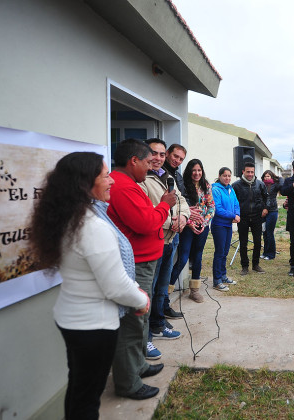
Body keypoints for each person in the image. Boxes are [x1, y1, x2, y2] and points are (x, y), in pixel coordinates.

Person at [29, 152, 151, 417]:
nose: (112, 182)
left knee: (79, 388)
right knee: (87, 399)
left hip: (71, 318)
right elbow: (116, 286)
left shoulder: (67, 218)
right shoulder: (93, 227)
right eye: (106, 176)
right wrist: (142, 300)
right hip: (93, 326)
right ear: (85, 183)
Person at [107, 138, 176, 400]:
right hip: (138, 263)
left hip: (147, 259)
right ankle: (128, 383)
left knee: (142, 318)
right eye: (148, 161)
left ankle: (138, 366)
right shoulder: (123, 187)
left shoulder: (131, 184)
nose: (150, 167)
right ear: (133, 160)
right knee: (133, 322)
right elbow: (146, 223)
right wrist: (165, 205)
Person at [139, 139, 190, 357]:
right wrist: (173, 222)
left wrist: (184, 218)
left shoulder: (168, 177)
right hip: (154, 240)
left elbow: (181, 202)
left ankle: (158, 324)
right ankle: (146, 337)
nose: (158, 158)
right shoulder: (141, 180)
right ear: (144, 155)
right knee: (148, 291)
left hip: (171, 239)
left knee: (162, 287)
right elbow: (149, 210)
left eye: (161, 154)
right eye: (154, 154)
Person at [169, 158, 215, 302]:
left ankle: (194, 290)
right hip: (187, 226)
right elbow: (179, 207)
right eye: (194, 170)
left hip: (202, 227)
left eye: (199, 170)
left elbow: (211, 206)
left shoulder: (206, 185)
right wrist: (189, 222)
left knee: (198, 257)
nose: (196, 173)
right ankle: (167, 290)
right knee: (183, 258)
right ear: (189, 171)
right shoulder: (183, 186)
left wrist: (204, 222)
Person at [161, 144, 188, 303]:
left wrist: (183, 216)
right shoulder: (156, 174)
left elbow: (181, 201)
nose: (177, 161)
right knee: (159, 275)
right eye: (175, 156)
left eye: (181, 159)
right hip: (161, 230)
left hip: (176, 230)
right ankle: (160, 310)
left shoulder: (177, 176)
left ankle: (164, 304)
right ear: (168, 153)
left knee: (167, 269)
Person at [232, 162, 268, 275]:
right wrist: (235, 214)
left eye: (252, 172)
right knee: (243, 243)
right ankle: (245, 266)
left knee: (258, 242)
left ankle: (256, 265)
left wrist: (266, 208)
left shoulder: (260, 184)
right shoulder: (236, 185)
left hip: (257, 217)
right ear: (243, 171)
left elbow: (267, 198)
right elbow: (233, 201)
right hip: (243, 218)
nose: (250, 174)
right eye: (248, 172)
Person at [211, 167, 241, 290]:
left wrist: (237, 214)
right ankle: (217, 280)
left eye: (229, 176)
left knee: (225, 252)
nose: (227, 178)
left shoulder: (230, 189)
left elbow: (236, 203)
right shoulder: (215, 189)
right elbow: (217, 209)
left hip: (228, 225)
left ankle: (223, 276)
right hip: (219, 225)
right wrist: (233, 216)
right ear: (219, 176)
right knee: (219, 252)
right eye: (225, 176)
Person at [261, 170, 282, 260]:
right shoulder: (262, 185)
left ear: (272, 177)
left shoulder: (275, 184)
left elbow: (281, 182)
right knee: (264, 233)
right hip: (263, 212)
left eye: (268, 176)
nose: (266, 178)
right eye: (265, 176)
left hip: (272, 211)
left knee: (270, 233)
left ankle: (271, 254)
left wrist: (278, 177)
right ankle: (265, 252)